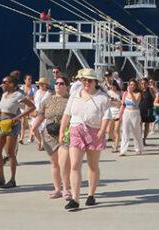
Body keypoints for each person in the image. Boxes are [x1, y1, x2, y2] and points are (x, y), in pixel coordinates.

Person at [59, 68, 110, 211]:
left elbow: (107, 116)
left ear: (95, 82)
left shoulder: (102, 97)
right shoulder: (75, 95)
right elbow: (67, 114)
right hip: (76, 129)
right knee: (75, 164)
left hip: (94, 131)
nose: (86, 82)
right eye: (84, 80)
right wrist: (62, 130)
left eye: (89, 80)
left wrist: (102, 130)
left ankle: (91, 195)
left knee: (93, 165)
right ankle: (75, 199)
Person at [0, 75, 34, 189]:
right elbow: (0, 108)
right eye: (3, 82)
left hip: (12, 124)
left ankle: (12, 179)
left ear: (12, 84)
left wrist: (19, 117)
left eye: (5, 82)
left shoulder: (18, 95)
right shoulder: (4, 95)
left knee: (10, 153)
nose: (3, 84)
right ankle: (1, 178)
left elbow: (32, 106)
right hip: (2, 123)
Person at [31, 74, 71, 199]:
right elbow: (41, 116)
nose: (58, 85)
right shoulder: (47, 100)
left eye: (61, 83)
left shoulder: (71, 100)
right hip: (49, 135)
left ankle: (66, 189)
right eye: (56, 83)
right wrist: (33, 129)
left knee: (64, 162)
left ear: (67, 87)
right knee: (54, 163)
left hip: (65, 134)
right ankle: (57, 189)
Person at [117, 81, 144, 155]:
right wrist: (120, 114)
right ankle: (123, 150)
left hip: (134, 112)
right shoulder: (125, 93)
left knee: (136, 131)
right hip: (126, 112)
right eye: (131, 84)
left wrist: (131, 93)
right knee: (125, 131)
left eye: (134, 85)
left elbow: (135, 104)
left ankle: (138, 148)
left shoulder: (138, 93)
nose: (132, 86)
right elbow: (123, 104)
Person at [32, 77, 52, 149]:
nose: (40, 85)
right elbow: (34, 102)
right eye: (40, 84)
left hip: (44, 113)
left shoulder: (49, 93)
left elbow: (50, 104)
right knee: (34, 128)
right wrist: (33, 111)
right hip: (37, 113)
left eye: (42, 84)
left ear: (46, 85)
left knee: (43, 130)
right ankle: (40, 141)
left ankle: (43, 144)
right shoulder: (37, 92)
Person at [138, 78, 155, 145]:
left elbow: (154, 97)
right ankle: (139, 139)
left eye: (145, 83)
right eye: (142, 83)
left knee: (147, 125)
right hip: (140, 109)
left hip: (148, 109)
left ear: (147, 83)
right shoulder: (139, 91)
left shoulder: (150, 89)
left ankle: (144, 139)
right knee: (139, 125)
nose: (143, 84)